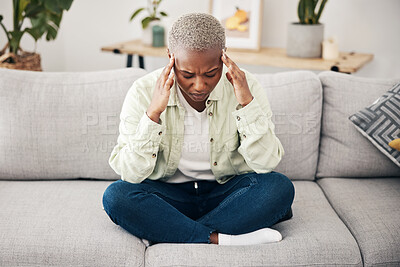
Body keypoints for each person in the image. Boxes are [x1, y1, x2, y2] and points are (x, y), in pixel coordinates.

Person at [102, 13, 294, 246]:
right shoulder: (143, 91)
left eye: (211, 74)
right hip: (169, 194)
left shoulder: (247, 86)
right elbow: (130, 174)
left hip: (225, 193)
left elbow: (265, 164)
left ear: (224, 57)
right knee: (117, 197)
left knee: (279, 189)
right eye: (188, 75)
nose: (200, 85)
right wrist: (153, 114)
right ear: (170, 57)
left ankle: (168, 229)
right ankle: (222, 238)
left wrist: (247, 104)